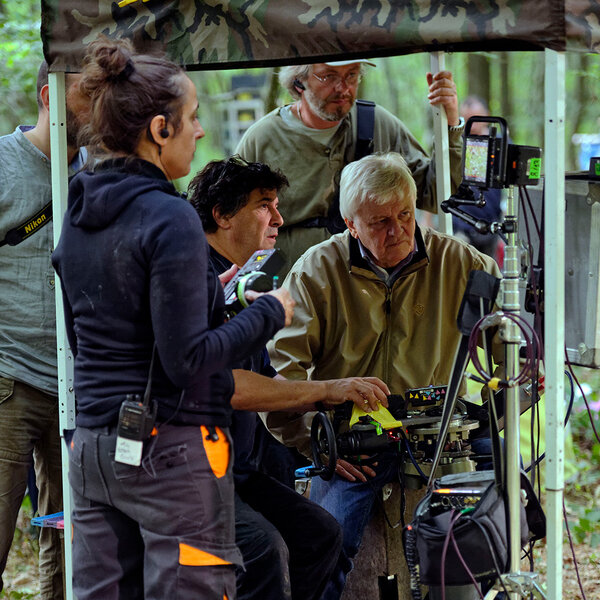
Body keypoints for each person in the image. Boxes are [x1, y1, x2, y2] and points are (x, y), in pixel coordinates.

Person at [51, 38, 294, 600]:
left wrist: (207, 294)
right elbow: (188, 360)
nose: (200, 132)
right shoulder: (171, 216)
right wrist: (268, 312)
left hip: (91, 447)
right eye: (192, 119)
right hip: (170, 449)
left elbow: (82, 339)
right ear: (159, 130)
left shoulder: (77, 210)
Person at [264, 152, 502, 599]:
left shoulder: (465, 265)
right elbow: (281, 371)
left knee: (508, 495)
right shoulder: (316, 270)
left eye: (405, 215)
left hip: (439, 426)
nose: (397, 231)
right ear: (350, 225)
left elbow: (509, 348)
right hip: (354, 436)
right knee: (327, 544)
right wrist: (315, 440)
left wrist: (502, 404)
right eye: (379, 222)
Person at [187, 156, 390, 600]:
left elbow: (268, 379)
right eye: (264, 205)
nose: (279, 219)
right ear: (221, 214)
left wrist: (332, 414)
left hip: (240, 466)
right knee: (263, 550)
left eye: (278, 205)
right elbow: (231, 385)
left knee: (319, 535)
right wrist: (327, 390)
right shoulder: (193, 276)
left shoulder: (248, 277)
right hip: (189, 471)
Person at [235, 59, 465, 275]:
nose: (343, 88)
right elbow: (233, 224)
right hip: (288, 290)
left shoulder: (377, 125)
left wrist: (450, 124)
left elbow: (438, 194)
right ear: (299, 80)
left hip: (367, 290)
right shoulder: (262, 139)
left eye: (352, 75)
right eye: (329, 76)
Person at [0, 60, 89, 599]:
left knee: (75, 543)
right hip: (8, 379)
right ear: (48, 96)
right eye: (86, 96)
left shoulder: (103, 174)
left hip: (79, 389)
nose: (100, 108)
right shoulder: (3, 163)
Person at [452, 95, 504, 259]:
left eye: (475, 119)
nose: (471, 124)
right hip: (461, 224)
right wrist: (428, 218)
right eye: (466, 119)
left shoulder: (501, 143)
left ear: (487, 116)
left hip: (491, 225)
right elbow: (437, 177)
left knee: (488, 274)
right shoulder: (455, 145)